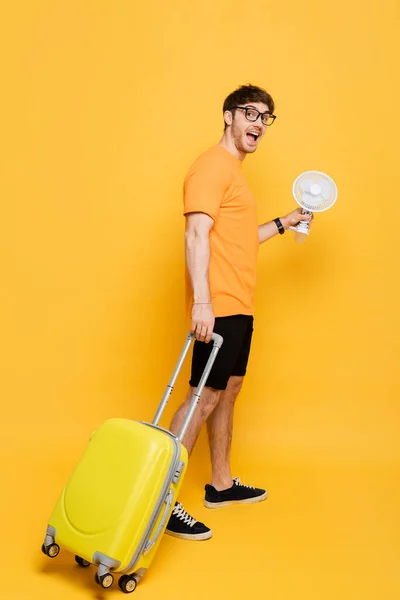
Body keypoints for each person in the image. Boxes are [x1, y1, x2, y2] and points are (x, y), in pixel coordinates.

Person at [165, 84, 312, 541]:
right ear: (228, 115)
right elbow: (196, 234)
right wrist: (203, 302)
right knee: (202, 397)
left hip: (238, 305)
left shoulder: (233, 172)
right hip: (220, 305)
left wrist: (285, 223)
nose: (259, 124)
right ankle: (159, 501)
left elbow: (238, 238)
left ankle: (221, 485)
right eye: (250, 113)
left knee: (228, 390)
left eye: (266, 117)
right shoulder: (211, 167)